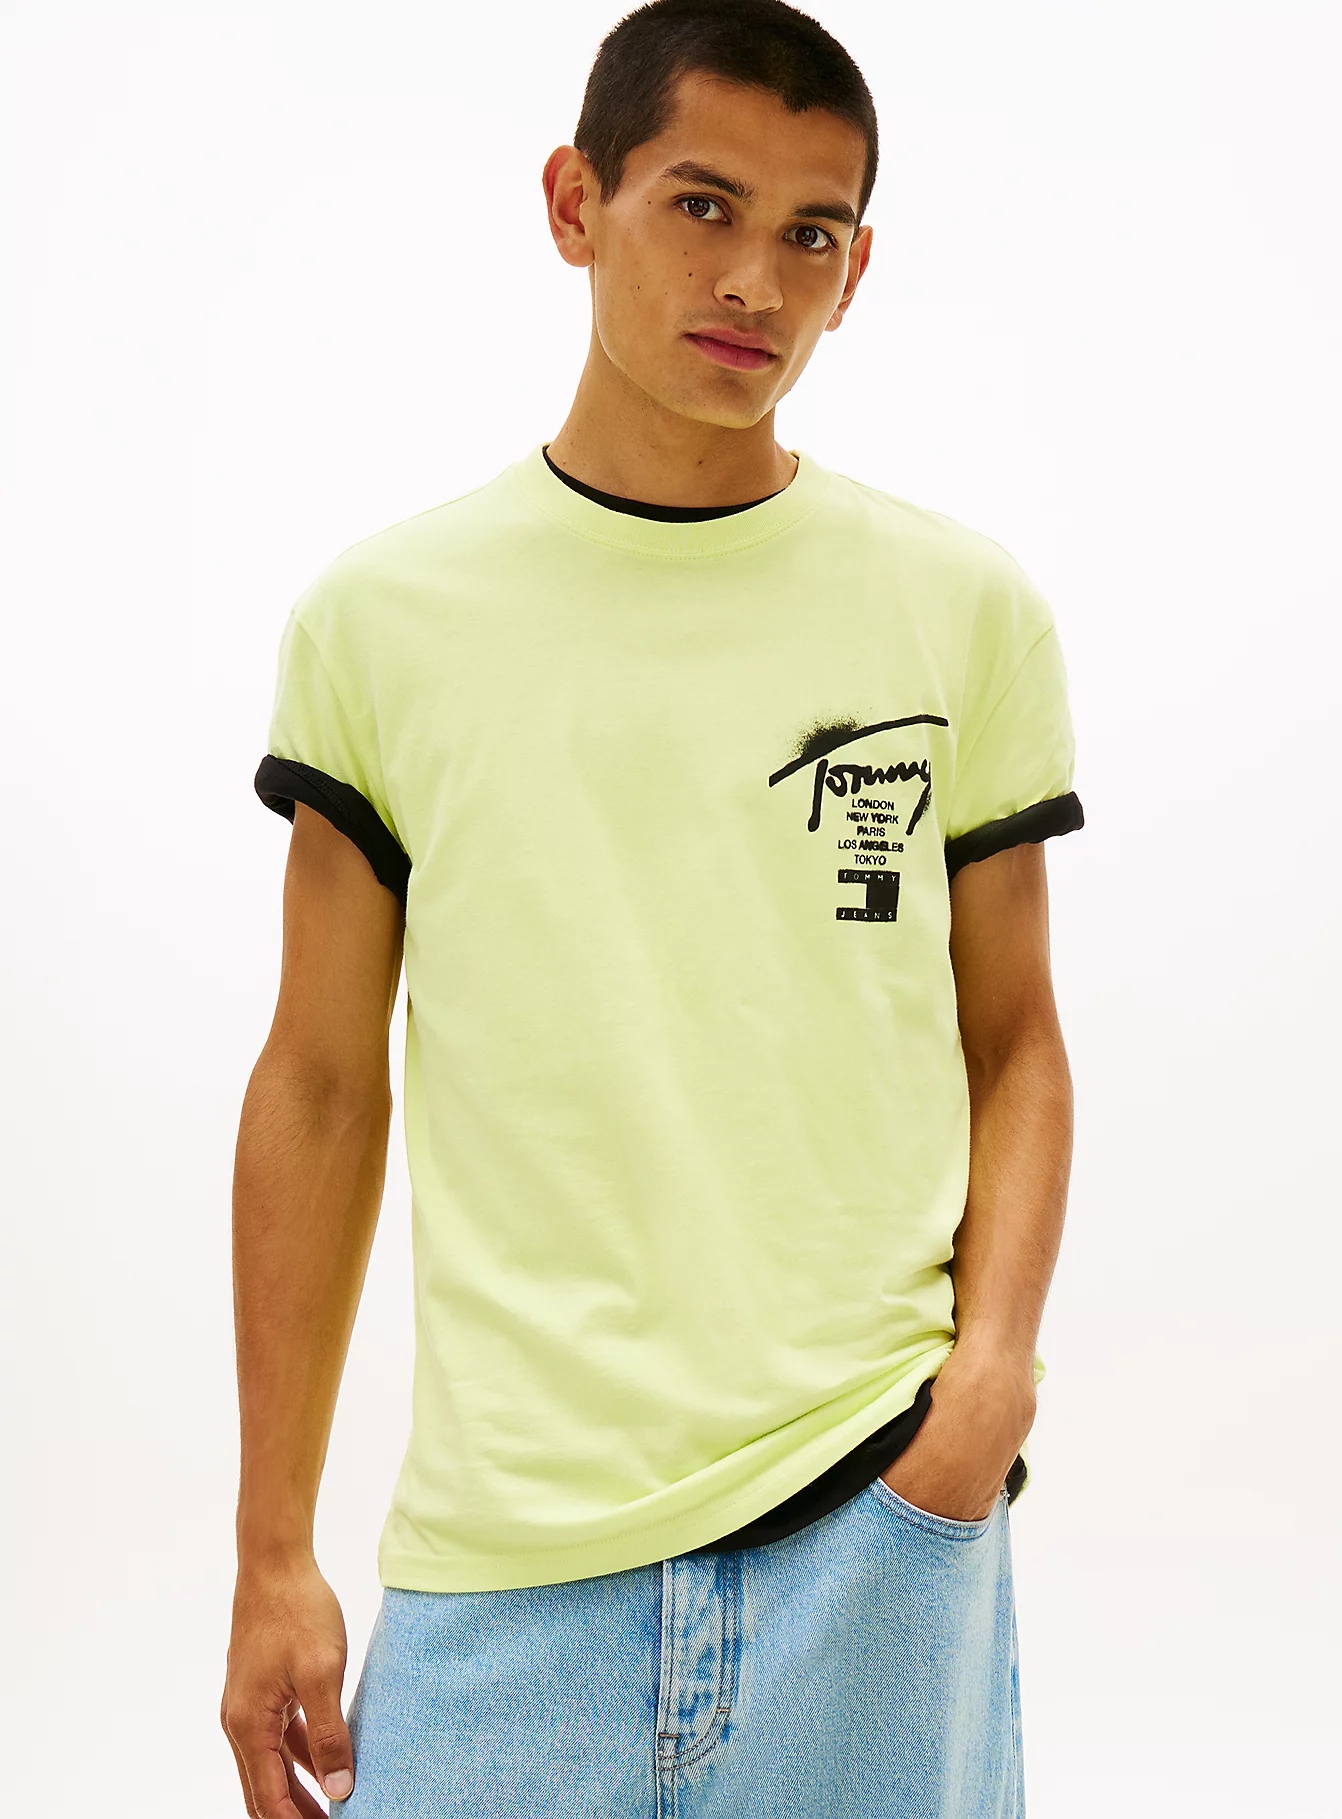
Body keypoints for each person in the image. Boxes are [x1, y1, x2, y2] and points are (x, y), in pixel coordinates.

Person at [220, 2, 1084, 1813]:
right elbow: (321, 1080)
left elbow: (1014, 1038)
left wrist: (987, 1391)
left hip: (877, 1519)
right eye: (702, 206)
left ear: (858, 271)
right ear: (573, 202)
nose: (755, 280)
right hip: (506, 1566)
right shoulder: (385, 622)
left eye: (811, 232)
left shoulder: (961, 609)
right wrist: (272, 1548)